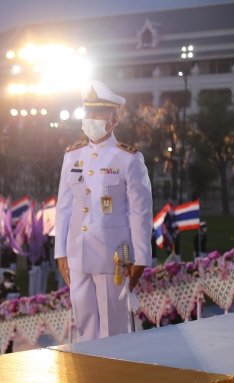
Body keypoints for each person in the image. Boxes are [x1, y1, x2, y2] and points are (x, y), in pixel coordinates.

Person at [55, 81, 152, 342]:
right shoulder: (72, 156)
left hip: (113, 258)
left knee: (113, 331)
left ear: (115, 119)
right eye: (88, 113)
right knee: (84, 327)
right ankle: (88, 369)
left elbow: (140, 213)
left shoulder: (129, 158)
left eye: (98, 114)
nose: (91, 119)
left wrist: (141, 258)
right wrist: (60, 251)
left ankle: (112, 370)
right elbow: (64, 207)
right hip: (77, 254)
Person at [0, 270, 21, 355]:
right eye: (8, 281)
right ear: (4, 279)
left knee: (9, 347)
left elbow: (18, 305)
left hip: (10, 323)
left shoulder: (16, 290)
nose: (9, 284)